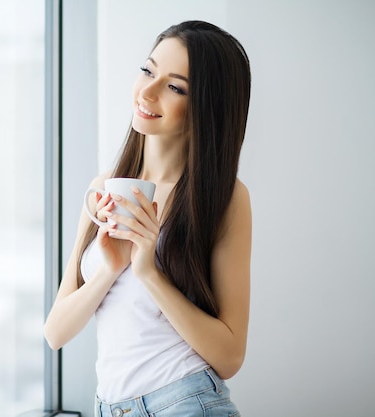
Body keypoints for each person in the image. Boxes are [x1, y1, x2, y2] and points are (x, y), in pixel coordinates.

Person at [44, 20, 252, 417]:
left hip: (185, 403)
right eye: (147, 71)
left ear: (206, 108)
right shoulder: (103, 187)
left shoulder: (224, 198)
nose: (148, 91)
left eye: (174, 87)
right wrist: (109, 270)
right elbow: (55, 333)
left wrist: (148, 271)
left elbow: (230, 356)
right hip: (109, 408)